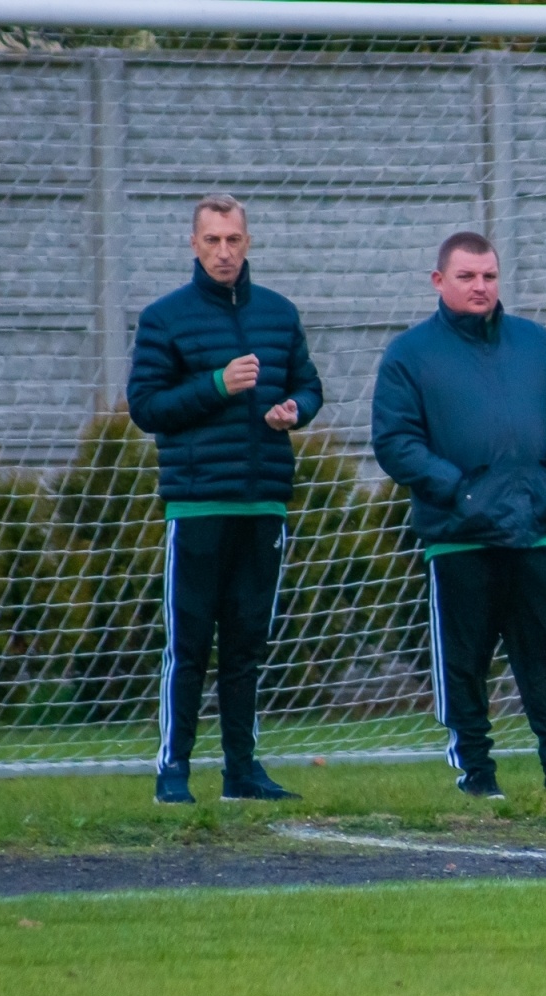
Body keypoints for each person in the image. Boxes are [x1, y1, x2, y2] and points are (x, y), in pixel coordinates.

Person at [372, 232, 546, 800]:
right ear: (439, 281)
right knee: (464, 667)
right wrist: (461, 492)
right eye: (468, 276)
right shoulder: (409, 354)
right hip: (458, 538)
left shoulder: (535, 343)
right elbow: (395, 441)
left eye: (489, 276)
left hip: (535, 533)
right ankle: (476, 774)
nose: (481, 287)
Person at [129, 193, 323, 805]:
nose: (223, 251)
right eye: (211, 240)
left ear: (248, 243)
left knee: (245, 645)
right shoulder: (165, 319)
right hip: (198, 507)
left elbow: (310, 385)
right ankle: (173, 771)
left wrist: (298, 410)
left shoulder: (279, 313)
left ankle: (241, 769)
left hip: (264, 504)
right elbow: (147, 408)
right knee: (188, 646)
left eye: (233, 239)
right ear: (193, 245)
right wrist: (216, 384)